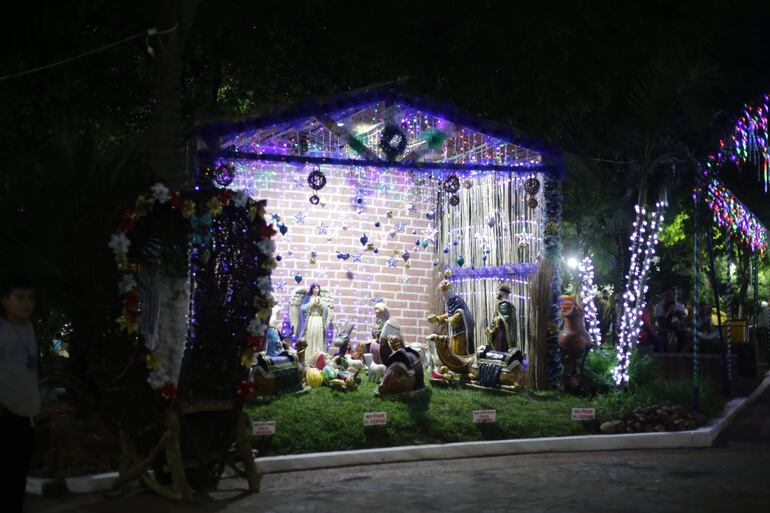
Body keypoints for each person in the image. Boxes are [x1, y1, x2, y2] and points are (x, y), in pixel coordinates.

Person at [0, 276, 40, 512]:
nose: (27, 303)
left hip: (25, 413)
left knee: (17, 473)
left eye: (30, 298)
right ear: (5, 301)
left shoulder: (28, 328)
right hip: (5, 413)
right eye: (20, 297)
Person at [296, 283, 331, 364]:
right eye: (314, 288)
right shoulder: (308, 298)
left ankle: (318, 358)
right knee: (310, 336)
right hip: (311, 320)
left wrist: (321, 306)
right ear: (311, 289)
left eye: (317, 288)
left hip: (318, 321)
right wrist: (311, 304)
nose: (316, 290)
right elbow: (303, 308)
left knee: (318, 336)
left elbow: (326, 309)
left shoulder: (321, 299)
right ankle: (308, 357)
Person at [654, 287, 687, 352]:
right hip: (664, 329)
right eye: (667, 294)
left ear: (674, 295)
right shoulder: (658, 306)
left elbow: (682, 322)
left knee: (684, 338)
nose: (669, 296)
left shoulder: (680, 306)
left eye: (671, 294)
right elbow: (659, 322)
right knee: (660, 340)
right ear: (664, 295)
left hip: (677, 329)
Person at [486, 283, 517, 352]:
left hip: (502, 332)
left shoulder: (504, 305)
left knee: (501, 348)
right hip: (500, 332)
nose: (498, 293)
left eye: (499, 291)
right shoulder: (503, 304)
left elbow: (501, 319)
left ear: (503, 292)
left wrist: (491, 328)